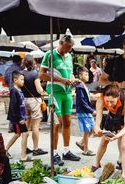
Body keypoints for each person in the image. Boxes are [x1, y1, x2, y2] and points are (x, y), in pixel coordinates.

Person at [39, 34, 81, 165]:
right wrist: (61, 80)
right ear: (61, 43)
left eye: (70, 47)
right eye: (67, 47)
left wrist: (73, 80)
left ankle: (66, 151)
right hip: (54, 93)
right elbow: (41, 74)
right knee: (55, 123)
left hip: (67, 93)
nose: (69, 50)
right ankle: (54, 153)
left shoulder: (69, 56)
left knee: (67, 122)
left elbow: (70, 73)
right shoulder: (49, 55)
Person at [99, 38, 125, 173]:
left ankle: (123, 162)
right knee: (112, 136)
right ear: (124, 47)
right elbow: (101, 80)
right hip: (115, 104)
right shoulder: (113, 62)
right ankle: (114, 162)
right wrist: (116, 84)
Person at [92, 84, 125, 179]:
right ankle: (96, 164)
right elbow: (98, 121)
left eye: (112, 101)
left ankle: (124, 173)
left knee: (124, 144)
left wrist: (117, 136)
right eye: (107, 101)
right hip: (113, 115)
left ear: (118, 97)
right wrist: (97, 129)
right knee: (104, 140)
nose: (109, 104)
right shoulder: (100, 100)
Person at [21, 55, 47, 157]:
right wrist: (43, 89)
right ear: (33, 63)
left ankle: (25, 148)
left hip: (24, 101)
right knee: (35, 125)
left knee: (27, 125)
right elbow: (39, 90)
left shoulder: (21, 73)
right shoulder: (35, 74)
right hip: (34, 101)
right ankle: (36, 149)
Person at [5, 71, 30, 161]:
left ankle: (4, 150)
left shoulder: (19, 90)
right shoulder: (13, 90)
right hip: (17, 118)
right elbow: (13, 106)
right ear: (15, 80)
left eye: (23, 79)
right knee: (24, 134)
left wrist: (24, 116)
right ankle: (23, 156)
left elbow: (21, 104)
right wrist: (19, 119)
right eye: (21, 80)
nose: (23, 81)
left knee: (18, 134)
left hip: (21, 117)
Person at [75, 67, 96, 156]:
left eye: (88, 74)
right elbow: (82, 102)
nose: (87, 76)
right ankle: (86, 150)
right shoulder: (80, 87)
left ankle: (81, 142)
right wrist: (91, 111)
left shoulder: (83, 86)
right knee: (87, 130)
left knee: (91, 129)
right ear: (80, 75)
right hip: (83, 111)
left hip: (86, 111)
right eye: (85, 74)